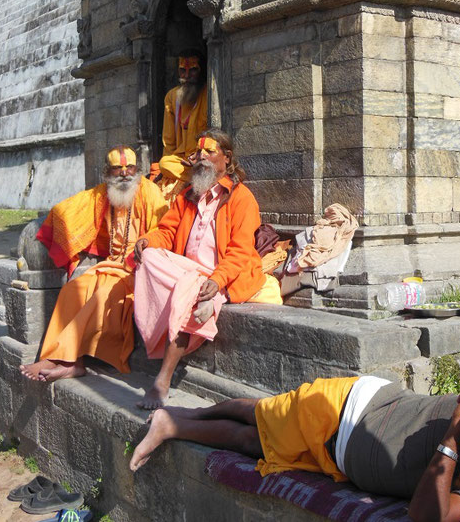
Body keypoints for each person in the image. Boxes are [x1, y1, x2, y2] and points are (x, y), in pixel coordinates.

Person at [128, 377, 460, 522]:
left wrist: (453, 438)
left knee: (253, 443)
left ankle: (171, 425)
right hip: (351, 405)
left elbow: (425, 515)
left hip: (340, 458)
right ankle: (190, 413)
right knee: (260, 413)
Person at [133, 129, 282, 410]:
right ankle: (190, 288)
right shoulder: (187, 196)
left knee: (191, 293)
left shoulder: (241, 198)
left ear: (227, 158)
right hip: (188, 270)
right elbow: (166, 232)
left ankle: (162, 380)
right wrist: (148, 240)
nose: (202, 158)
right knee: (150, 257)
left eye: (209, 153)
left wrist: (218, 279)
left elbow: (240, 250)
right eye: (198, 154)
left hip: (224, 275)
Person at [20, 146, 167, 382]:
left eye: (129, 168)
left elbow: (163, 231)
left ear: (137, 170)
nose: (124, 174)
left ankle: (65, 360)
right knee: (72, 291)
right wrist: (53, 220)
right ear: (107, 172)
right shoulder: (103, 194)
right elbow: (71, 209)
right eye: (117, 169)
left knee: (103, 297)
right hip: (109, 266)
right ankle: (62, 358)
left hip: (137, 268)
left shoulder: (149, 193)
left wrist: (144, 247)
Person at [149, 50, 208, 204]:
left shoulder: (208, 93)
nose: (187, 76)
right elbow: (168, 141)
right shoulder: (172, 97)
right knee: (164, 163)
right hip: (180, 161)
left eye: (193, 70)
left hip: (203, 158)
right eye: (183, 70)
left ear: (201, 71)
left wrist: (200, 155)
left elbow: (214, 133)